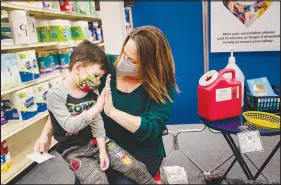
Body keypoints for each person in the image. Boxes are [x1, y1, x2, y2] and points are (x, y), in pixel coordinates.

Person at [35, 26, 179, 184]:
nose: (123, 62)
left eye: (132, 61)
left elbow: (151, 129)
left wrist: (112, 112)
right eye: (124, 54)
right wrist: (46, 134)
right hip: (97, 145)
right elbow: (67, 100)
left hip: (140, 150)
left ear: (149, 64)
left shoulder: (161, 86)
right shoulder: (103, 66)